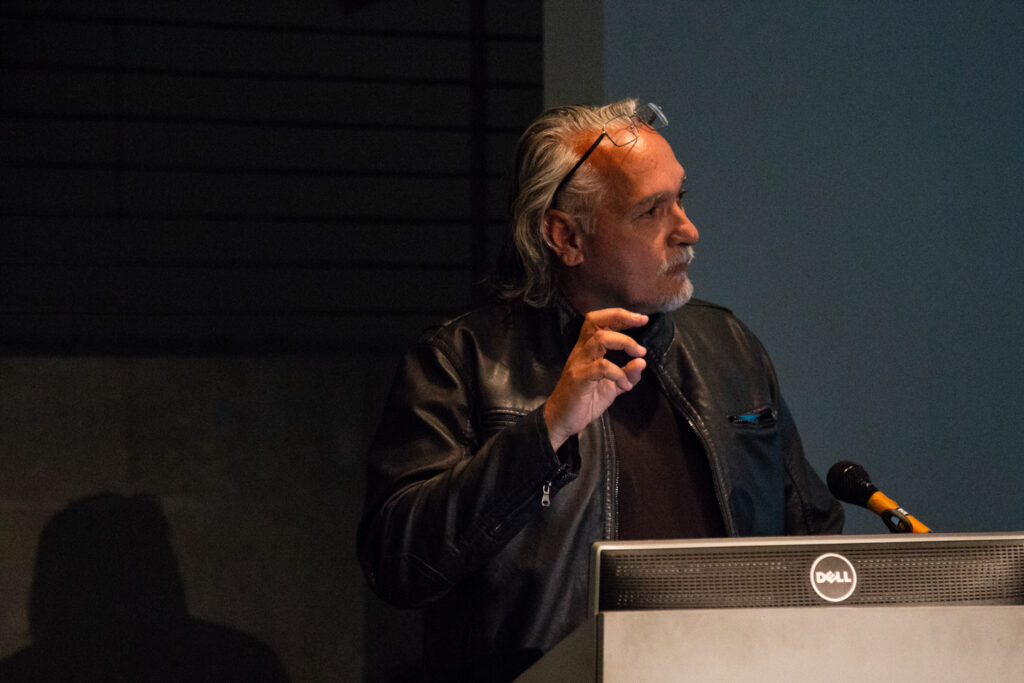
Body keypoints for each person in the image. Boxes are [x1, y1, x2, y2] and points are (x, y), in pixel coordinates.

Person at [357, 99, 843, 681]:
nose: (688, 230)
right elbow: (399, 564)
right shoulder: (462, 363)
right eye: (649, 211)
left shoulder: (728, 346)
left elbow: (812, 536)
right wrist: (549, 427)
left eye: (681, 199)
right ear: (566, 237)